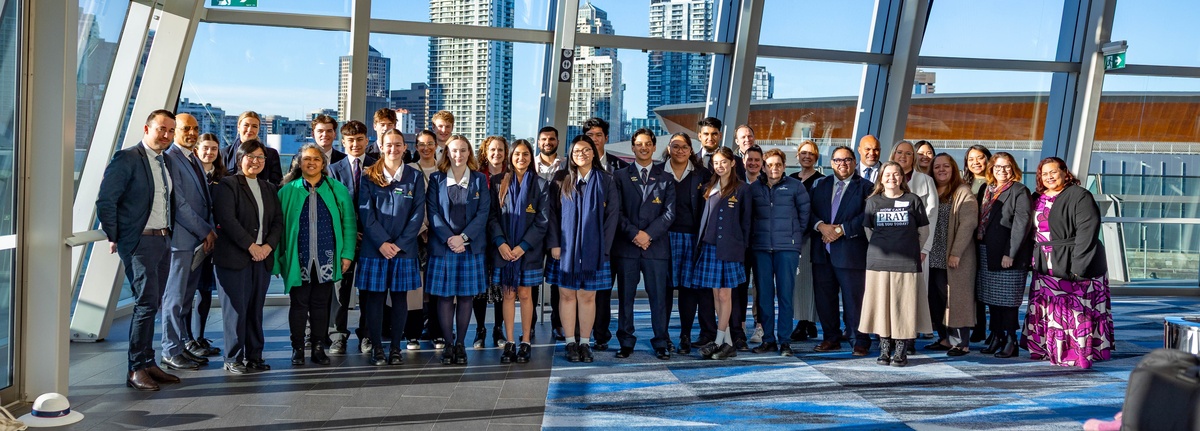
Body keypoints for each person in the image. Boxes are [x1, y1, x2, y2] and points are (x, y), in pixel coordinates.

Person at [96, 109, 183, 390]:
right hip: (140, 242)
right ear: (147, 129)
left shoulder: (164, 161)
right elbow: (106, 201)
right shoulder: (127, 158)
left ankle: (148, 362)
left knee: (153, 303)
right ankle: (136, 369)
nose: (167, 135)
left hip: (163, 240)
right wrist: (117, 237)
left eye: (171, 130)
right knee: (145, 303)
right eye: (162, 129)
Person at [1023, 157, 1114, 369]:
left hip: (1073, 261)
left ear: (1065, 173)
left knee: (1074, 310)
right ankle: (1048, 349)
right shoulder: (1037, 197)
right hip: (1044, 264)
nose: (1049, 177)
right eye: (1044, 174)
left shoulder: (1080, 195)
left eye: (1053, 172)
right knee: (1049, 309)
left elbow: (1087, 232)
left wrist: (1079, 267)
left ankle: (1074, 354)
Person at [276, 144, 357, 367]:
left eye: (316, 159)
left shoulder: (337, 189)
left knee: (321, 305)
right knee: (298, 304)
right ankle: (297, 348)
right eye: (306, 159)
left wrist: (347, 254)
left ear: (323, 163)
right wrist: (277, 259)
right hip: (297, 257)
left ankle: (319, 348)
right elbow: (277, 228)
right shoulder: (287, 191)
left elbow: (349, 224)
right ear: (299, 163)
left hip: (327, 257)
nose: (311, 163)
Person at [211, 139, 284, 374]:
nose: (256, 161)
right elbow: (227, 220)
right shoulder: (228, 184)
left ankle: (254, 356)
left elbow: (278, 222)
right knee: (235, 310)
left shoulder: (269, 188)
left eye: (260, 157)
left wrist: (268, 247)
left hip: (262, 258)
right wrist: (251, 246)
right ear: (240, 158)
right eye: (250, 157)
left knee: (255, 308)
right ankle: (232, 357)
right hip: (235, 258)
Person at [546, 135, 619, 363]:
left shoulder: (606, 179)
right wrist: (554, 244)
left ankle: (585, 342)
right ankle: (570, 342)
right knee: (567, 295)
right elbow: (552, 214)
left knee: (588, 297)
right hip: (565, 249)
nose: (582, 154)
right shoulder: (560, 179)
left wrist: (603, 248)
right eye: (577, 150)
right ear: (571, 154)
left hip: (594, 250)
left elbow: (612, 216)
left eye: (587, 150)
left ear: (593, 153)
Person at [357, 129, 426, 366]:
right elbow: (366, 213)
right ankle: (377, 347)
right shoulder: (369, 175)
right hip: (374, 249)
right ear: (381, 146)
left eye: (398, 144)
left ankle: (396, 347)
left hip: (403, 250)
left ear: (405, 147)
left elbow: (417, 214)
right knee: (375, 300)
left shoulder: (414, 176)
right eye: (389, 144)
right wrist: (382, 243)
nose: (393, 149)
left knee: (399, 299)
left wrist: (398, 244)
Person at [425, 135, 491, 366]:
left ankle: (461, 344)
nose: (458, 154)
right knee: (444, 297)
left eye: (463, 150)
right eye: (454, 150)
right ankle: (448, 344)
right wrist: (450, 239)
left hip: (470, 248)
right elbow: (433, 212)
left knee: (465, 297)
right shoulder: (437, 178)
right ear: (447, 153)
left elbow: (483, 213)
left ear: (469, 152)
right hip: (443, 247)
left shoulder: (479, 179)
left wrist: (463, 238)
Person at [612, 129, 676, 360]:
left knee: (658, 298)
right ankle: (626, 342)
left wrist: (648, 235)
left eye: (648, 143)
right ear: (633, 147)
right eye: (639, 144)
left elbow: (669, 214)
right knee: (625, 298)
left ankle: (661, 341)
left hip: (655, 248)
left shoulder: (666, 178)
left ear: (654, 147)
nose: (644, 147)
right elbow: (616, 212)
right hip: (627, 247)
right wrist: (634, 234)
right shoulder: (619, 176)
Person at [159, 113, 216, 371]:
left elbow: (205, 201)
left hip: (197, 242)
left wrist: (207, 232)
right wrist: (206, 231)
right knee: (174, 298)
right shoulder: (170, 158)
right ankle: (170, 350)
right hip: (182, 241)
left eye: (195, 128)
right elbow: (179, 205)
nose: (192, 133)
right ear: (174, 132)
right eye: (186, 129)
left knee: (186, 298)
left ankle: (182, 346)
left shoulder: (192, 158)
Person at [860, 161, 930, 367]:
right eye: (887, 174)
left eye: (896, 174)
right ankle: (884, 348)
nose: (891, 178)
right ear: (881, 178)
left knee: (904, 306)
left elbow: (924, 231)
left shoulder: (913, 200)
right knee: (881, 306)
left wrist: (910, 247)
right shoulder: (873, 202)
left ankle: (901, 349)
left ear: (902, 178)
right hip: (878, 262)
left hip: (906, 262)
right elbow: (868, 231)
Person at [487, 139, 549, 364]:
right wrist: (501, 243)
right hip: (503, 251)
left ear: (531, 157)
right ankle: (510, 342)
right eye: (517, 154)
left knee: (524, 295)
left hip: (528, 251)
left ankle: (526, 342)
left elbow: (543, 221)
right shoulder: (497, 182)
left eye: (525, 154)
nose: (521, 158)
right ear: (510, 157)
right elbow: (491, 217)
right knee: (508, 294)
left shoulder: (541, 184)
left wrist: (522, 247)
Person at [809, 146, 873, 356]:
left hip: (851, 251)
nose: (842, 164)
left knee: (854, 299)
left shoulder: (866, 187)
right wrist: (820, 226)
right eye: (837, 160)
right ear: (831, 163)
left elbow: (867, 215)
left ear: (854, 162)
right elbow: (808, 210)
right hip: (822, 251)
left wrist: (841, 230)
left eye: (847, 160)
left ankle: (859, 340)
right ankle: (831, 338)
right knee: (824, 298)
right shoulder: (820, 184)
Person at [692, 147, 752, 360]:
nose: (720, 166)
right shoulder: (709, 187)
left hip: (730, 249)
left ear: (733, 163)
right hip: (709, 247)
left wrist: (741, 249)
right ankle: (727, 342)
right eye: (716, 163)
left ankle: (718, 341)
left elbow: (746, 223)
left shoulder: (742, 189)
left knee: (725, 295)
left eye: (724, 162)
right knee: (716, 295)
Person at [748, 148, 810, 357]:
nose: (774, 168)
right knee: (764, 296)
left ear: (784, 166)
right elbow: (748, 217)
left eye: (778, 164)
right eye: (770, 165)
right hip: (761, 248)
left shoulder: (796, 186)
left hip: (787, 249)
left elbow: (804, 216)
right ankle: (768, 340)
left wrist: (793, 238)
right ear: (764, 167)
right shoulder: (754, 189)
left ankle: (785, 341)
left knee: (785, 295)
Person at [326, 120, 378, 355]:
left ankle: (366, 335)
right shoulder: (333, 169)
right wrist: (348, 231)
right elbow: (331, 206)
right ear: (343, 142)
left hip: (371, 238)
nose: (355, 144)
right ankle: (337, 335)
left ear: (367, 140)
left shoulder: (377, 166)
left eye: (359, 139)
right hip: (344, 238)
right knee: (340, 290)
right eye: (350, 140)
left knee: (368, 290)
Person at [975, 152, 1032, 358]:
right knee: (992, 298)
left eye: (1007, 166)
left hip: (1008, 254)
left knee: (1008, 301)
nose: (1002, 171)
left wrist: (1010, 253)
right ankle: (997, 336)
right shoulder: (986, 189)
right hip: (986, 250)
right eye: (998, 167)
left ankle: (1011, 340)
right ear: (991, 169)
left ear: (1013, 168)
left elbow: (1021, 224)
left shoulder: (1019, 190)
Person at [662, 133, 715, 354]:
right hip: (663, 238)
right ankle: (663, 336)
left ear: (691, 150)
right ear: (669, 148)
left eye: (684, 147)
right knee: (663, 289)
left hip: (692, 238)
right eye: (676, 146)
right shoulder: (658, 172)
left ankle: (685, 335)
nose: (680, 151)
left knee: (688, 289)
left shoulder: (702, 174)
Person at [581, 118, 627, 351]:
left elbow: (622, 205)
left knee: (604, 290)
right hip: (583, 239)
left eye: (598, 135)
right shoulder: (573, 166)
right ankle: (580, 334)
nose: (594, 139)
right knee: (582, 289)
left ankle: (601, 334)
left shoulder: (620, 167)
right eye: (590, 135)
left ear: (606, 138)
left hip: (615, 239)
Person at [925, 153, 979, 356]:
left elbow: (968, 224)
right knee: (936, 299)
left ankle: (961, 342)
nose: (941, 170)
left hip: (954, 257)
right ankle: (945, 339)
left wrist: (956, 253)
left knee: (956, 299)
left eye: (946, 166)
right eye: (937, 166)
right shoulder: (930, 190)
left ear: (953, 168)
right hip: (932, 255)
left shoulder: (962, 191)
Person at [891, 141, 939, 346]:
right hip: (889, 249)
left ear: (914, 158)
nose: (903, 156)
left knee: (913, 293)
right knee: (891, 292)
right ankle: (890, 333)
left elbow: (932, 216)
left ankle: (909, 335)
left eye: (908, 153)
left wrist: (924, 247)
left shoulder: (925, 180)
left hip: (917, 247)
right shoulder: (884, 179)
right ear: (893, 155)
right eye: (899, 152)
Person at [186, 133, 226, 358]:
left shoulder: (223, 177)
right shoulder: (190, 174)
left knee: (205, 290)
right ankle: (187, 339)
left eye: (214, 149)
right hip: (192, 240)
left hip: (215, 242)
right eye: (205, 148)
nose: (209, 152)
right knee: (186, 291)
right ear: (196, 150)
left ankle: (199, 336)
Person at [474, 135, 508, 349]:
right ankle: (480, 329)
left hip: (503, 238)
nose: (496, 153)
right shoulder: (477, 175)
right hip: (479, 238)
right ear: (485, 153)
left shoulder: (511, 175)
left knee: (499, 287)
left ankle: (498, 328)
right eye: (492, 150)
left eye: (500, 150)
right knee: (479, 287)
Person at [408, 130, 441, 350]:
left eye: (430, 143)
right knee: (415, 287)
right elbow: (407, 204)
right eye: (421, 144)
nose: (426, 148)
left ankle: (437, 331)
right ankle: (412, 333)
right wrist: (421, 228)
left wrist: (436, 230)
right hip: (414, 235)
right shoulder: (409, 170)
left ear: (436, 145)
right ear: (416, 147)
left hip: (439, 235)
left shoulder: (444, 169)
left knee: (437, 285)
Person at [787, 140, 822, 342]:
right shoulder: (790, 179)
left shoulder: (822, 180)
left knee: (809, 280)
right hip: (793, 235)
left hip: (812, 235)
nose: (807, 156)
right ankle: (805, 320)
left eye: (811, 153)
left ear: (816, 157)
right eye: (803, 153)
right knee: (797, 280)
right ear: (798, 156)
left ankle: (805, 321)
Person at [534, 126, 566, 341]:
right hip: (533, 229)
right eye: (544, 139)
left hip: (557, 229)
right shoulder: (529, 164)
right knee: (532, 279)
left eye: (551, 139)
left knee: (557, 282)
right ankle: (530, 324)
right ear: (538, 142)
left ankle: (558, 324)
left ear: (557, 141)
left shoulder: (567, 166)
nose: (548, 142)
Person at [961, 144, 993, 343]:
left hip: (988, 241)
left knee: (990, 286)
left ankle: (995, 331)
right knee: (973, 286)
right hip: (968, 241)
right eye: (971, 159)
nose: (975, 162)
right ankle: (978, 327)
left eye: (980, 157)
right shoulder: (964, 183)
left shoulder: (995, 183)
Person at [737, 145, 764, 348]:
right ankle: (739, 326)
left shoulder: (767, 183)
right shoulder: (737, 184)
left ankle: (760, 325)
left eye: (757, 160)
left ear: (762, 163)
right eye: (750, 159)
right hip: (740, 244)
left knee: (761, 286)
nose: (753, 163)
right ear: (743, 161)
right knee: (740, 285)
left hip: (762, 242)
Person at [222, 111, 283, 184]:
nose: (249, 129)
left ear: (258, 129)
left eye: (254, 126)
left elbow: (277, 184)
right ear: (238, 127)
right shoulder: (225, 154)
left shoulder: (271, 154)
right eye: (246, 125)